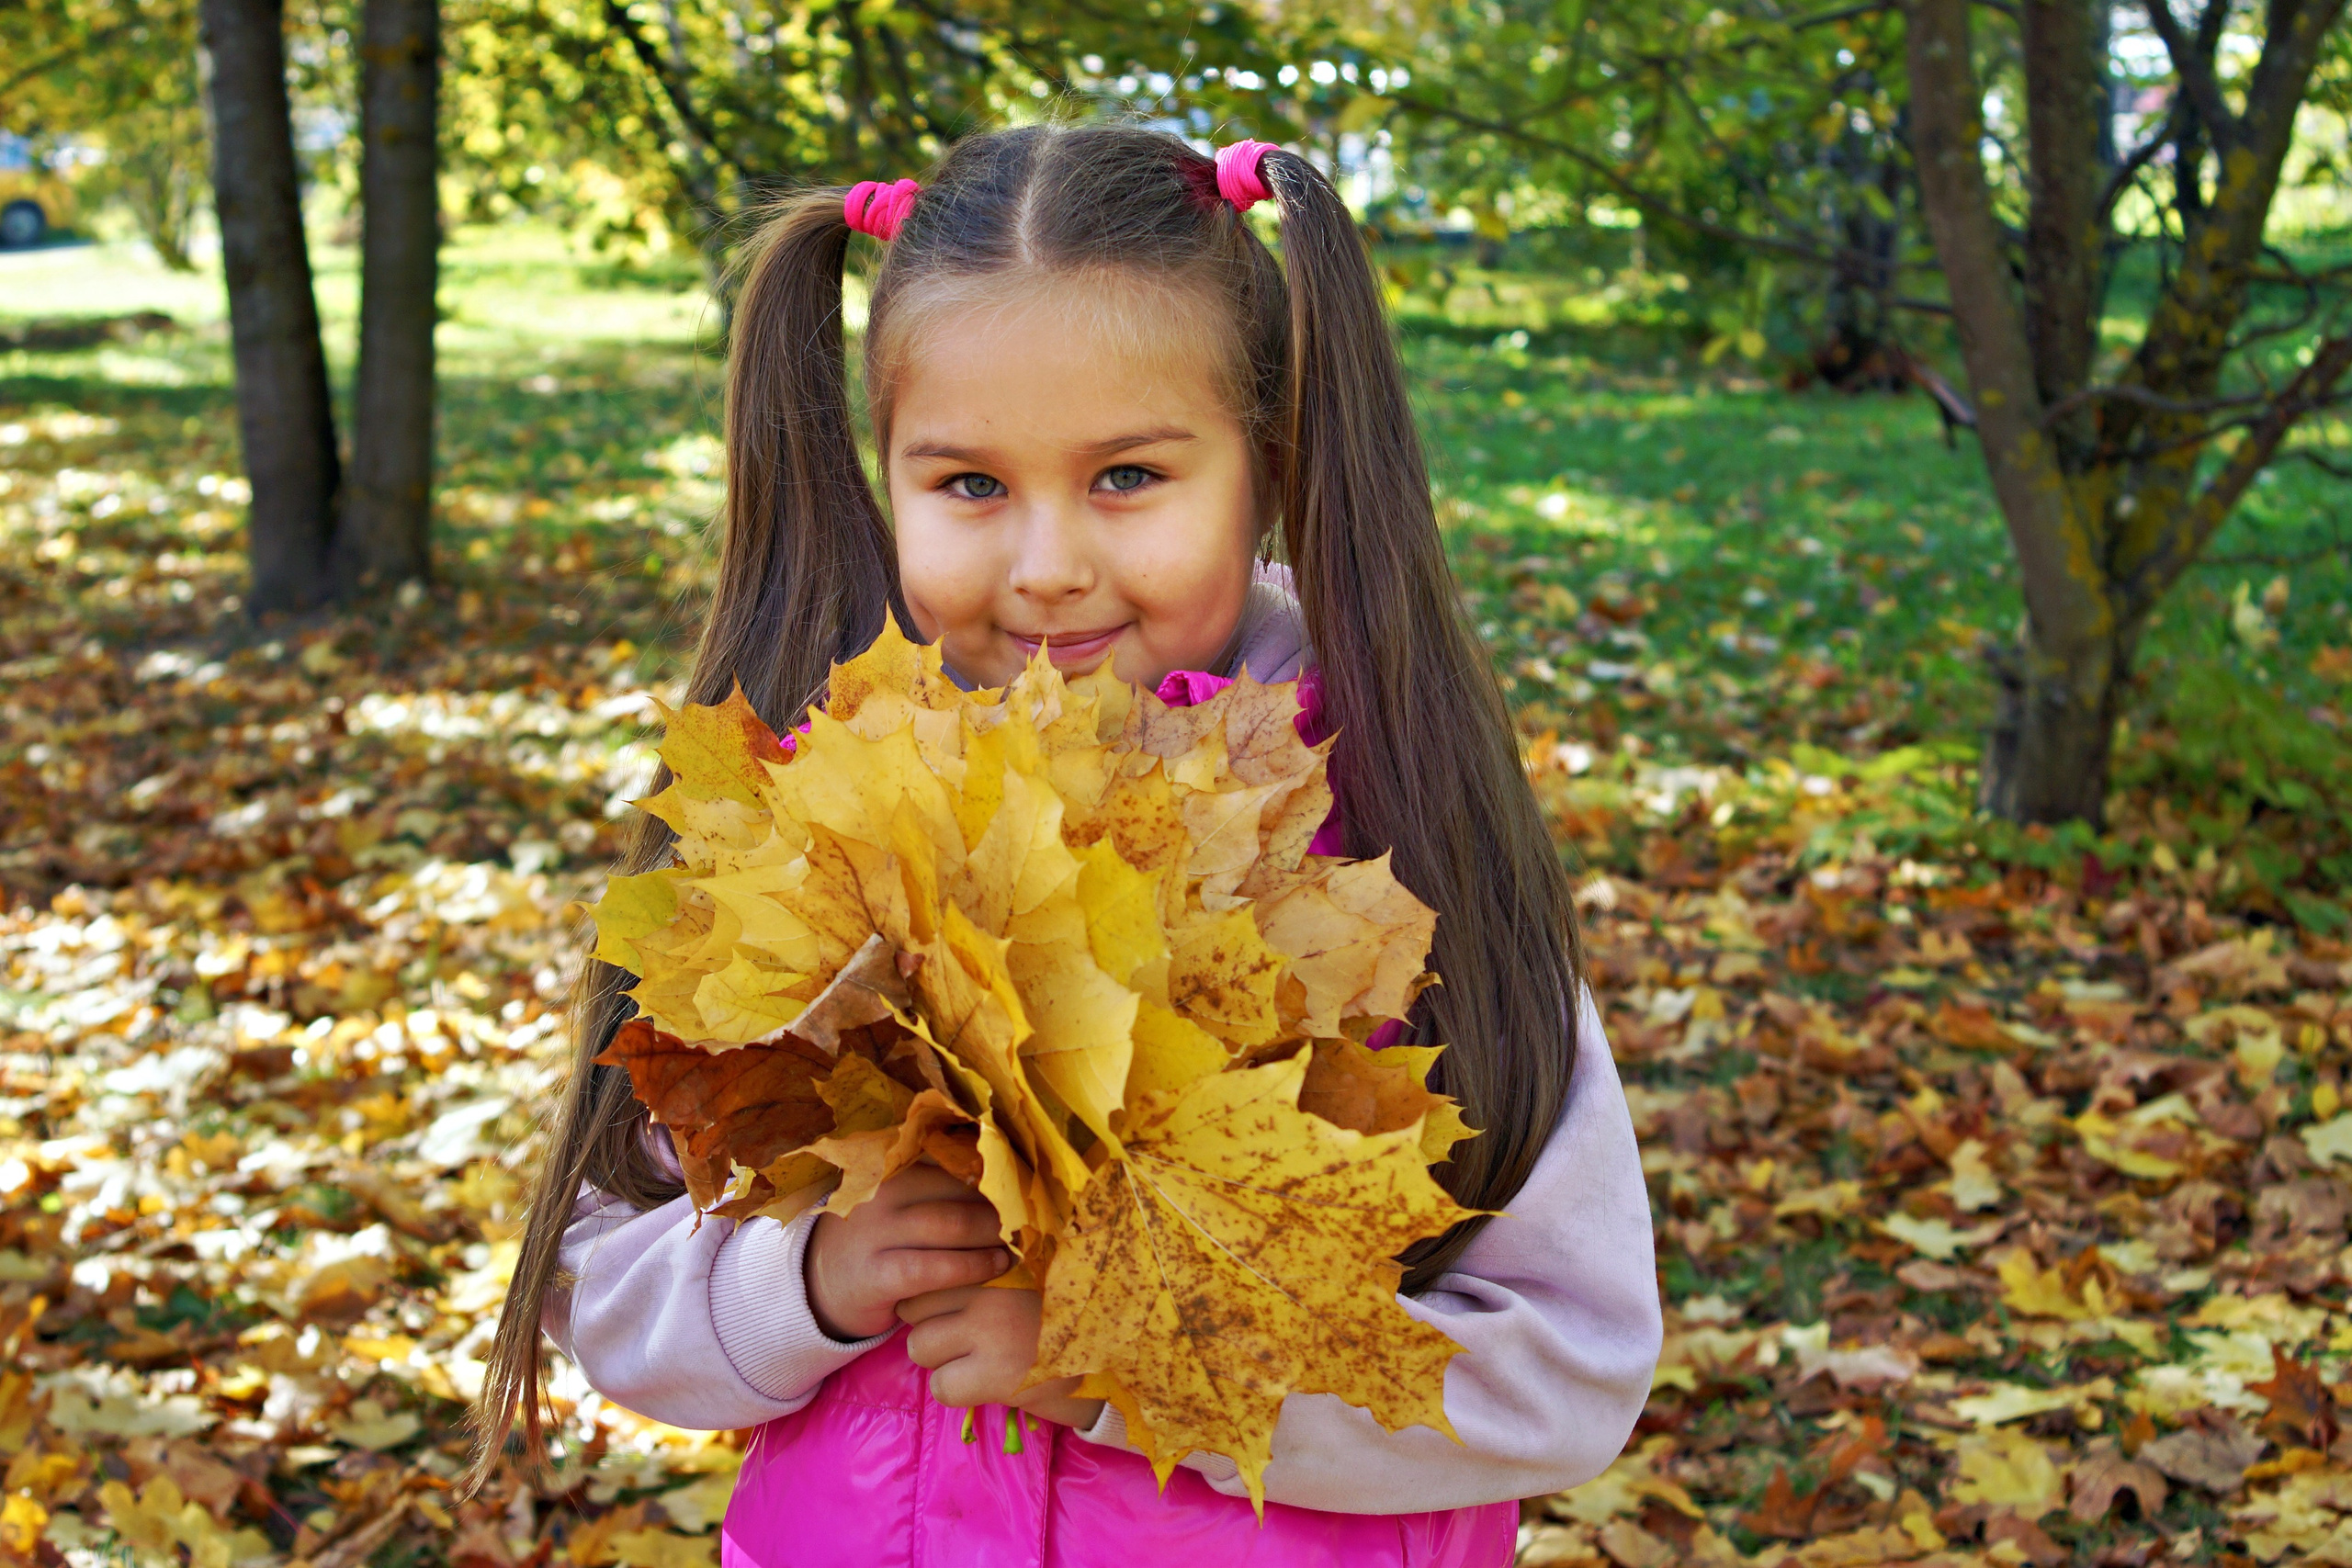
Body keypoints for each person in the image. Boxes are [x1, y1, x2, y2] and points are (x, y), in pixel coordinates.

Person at [472, 125, 1660, 1568]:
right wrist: (807, 1284)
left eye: (1128, 479)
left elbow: (1568, 1372)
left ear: (1266, 465)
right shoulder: (810, 835)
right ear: (885, 476)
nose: (1046, 564)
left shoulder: (1395, 856)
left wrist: (1134, 1362)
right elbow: (604, 1284)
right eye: (969, 485)